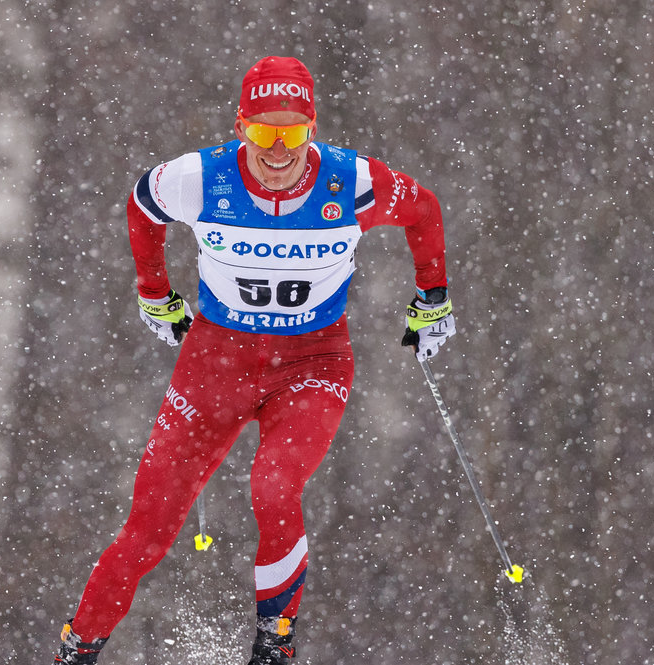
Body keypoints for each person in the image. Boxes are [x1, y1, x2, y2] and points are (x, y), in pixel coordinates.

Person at [53, 55, 456, 665]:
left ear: (312, 129)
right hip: (216, 363)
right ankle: (76, 651)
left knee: (273, 485)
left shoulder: (352, 181)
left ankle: (274, 646)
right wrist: (154, 292)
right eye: (264, 132)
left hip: (312, 363)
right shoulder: (198, 178)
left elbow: (423, 209)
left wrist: (432, 297)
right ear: (240, 127)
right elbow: (142, 205)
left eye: (293, 133)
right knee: (148, 528)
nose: (278, 150)